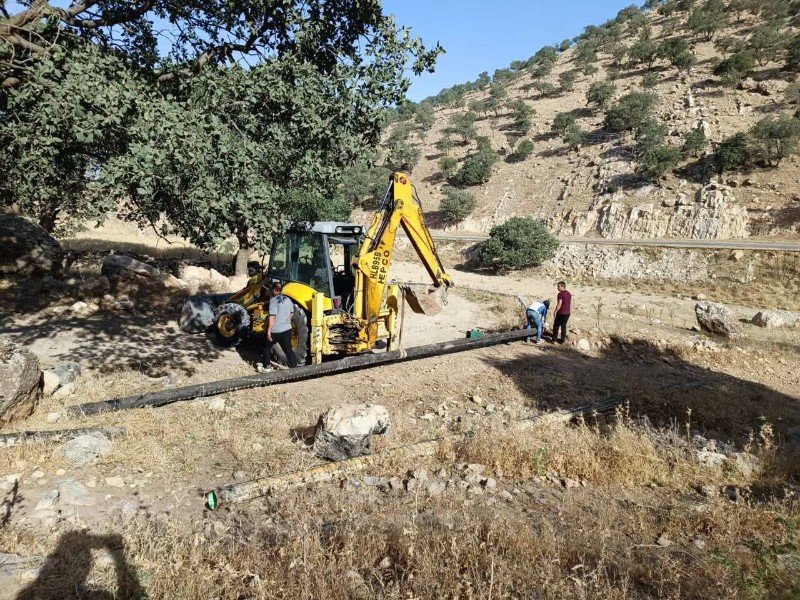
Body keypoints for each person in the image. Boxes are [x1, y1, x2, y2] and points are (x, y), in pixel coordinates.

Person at [259, 281, 298, 372]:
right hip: (287, 329)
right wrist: (286, 321)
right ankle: (295, 369)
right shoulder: (288, 299)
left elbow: (272, 316)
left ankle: (266, 367)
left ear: (273, 290)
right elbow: (292, 313)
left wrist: (269, 330)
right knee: (288, 349)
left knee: (266, 346)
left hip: (276, 331)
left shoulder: (273, 301)